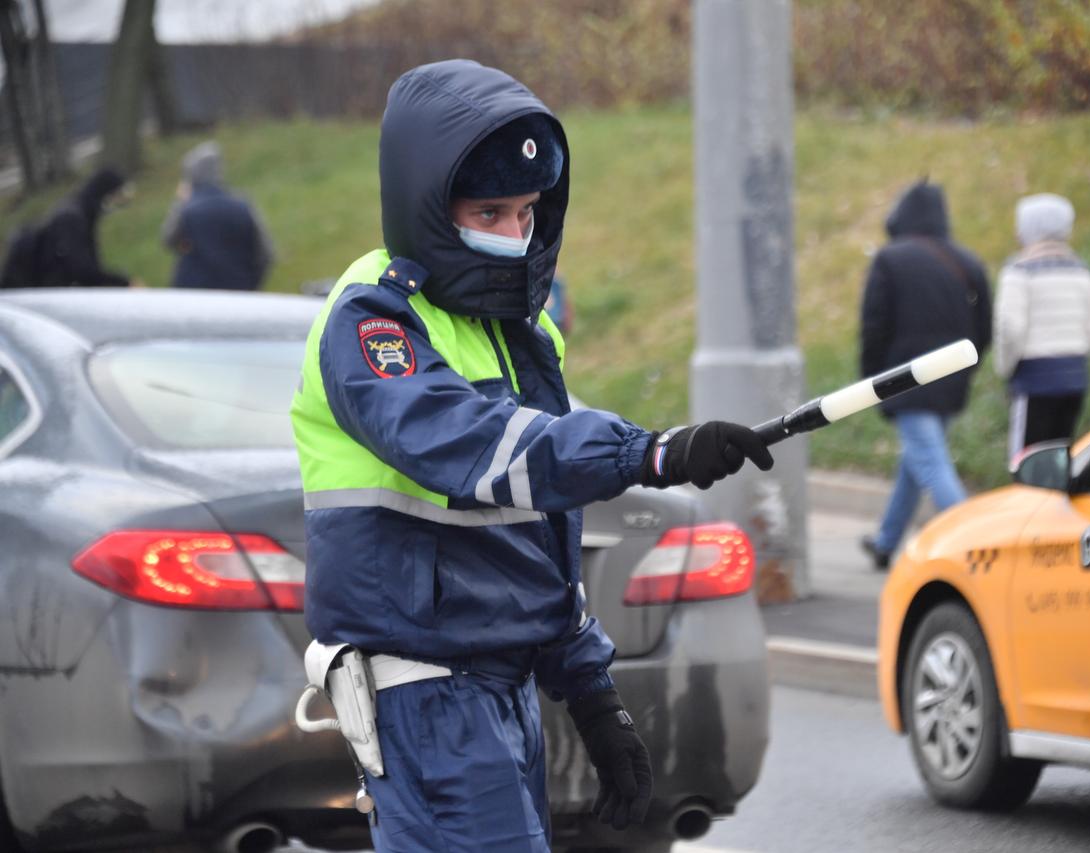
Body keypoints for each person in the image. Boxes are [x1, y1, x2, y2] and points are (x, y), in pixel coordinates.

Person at [289, 59, 773, 852]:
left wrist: (591, 690)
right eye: (489, 210)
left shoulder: (516, 330)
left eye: (526, 212)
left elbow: (537, 525)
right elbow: (474, 449)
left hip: (500, 691)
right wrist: (647, 453)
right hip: (428, 691)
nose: (513, 235)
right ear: (426, 205)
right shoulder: (374, 321)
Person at [858, 180, 991, 570]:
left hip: (905, 379)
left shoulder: (889, 260)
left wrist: (872, 382)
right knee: (917, 460)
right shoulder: (968, 262)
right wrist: (965, 368)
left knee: (929, 462)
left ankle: (977, 544)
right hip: (951, 380)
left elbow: (874, 326)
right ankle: (886, 541)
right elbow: (984, 329)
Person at [994, 193, 1090, 466]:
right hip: (1075, 379)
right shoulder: (1080, 270)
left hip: (1034, 380)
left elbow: (1010, 329)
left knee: (1026, 461)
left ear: (1026, 230)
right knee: (1059, 459)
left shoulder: (1018, 271)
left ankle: (1029, 507)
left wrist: (1005, 367)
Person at [161, 141, 274, 290]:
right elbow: (265, 254)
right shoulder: (244, 206)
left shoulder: (187, 209)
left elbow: (168, 239)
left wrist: (180, 202)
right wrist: (252, 283)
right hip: (238, 291)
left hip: (193, 292)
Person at [0, 167, 136, 288]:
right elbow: (83, 271)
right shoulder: (71, 218)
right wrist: (123, 282)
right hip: (42, 291)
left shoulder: (82, 213)